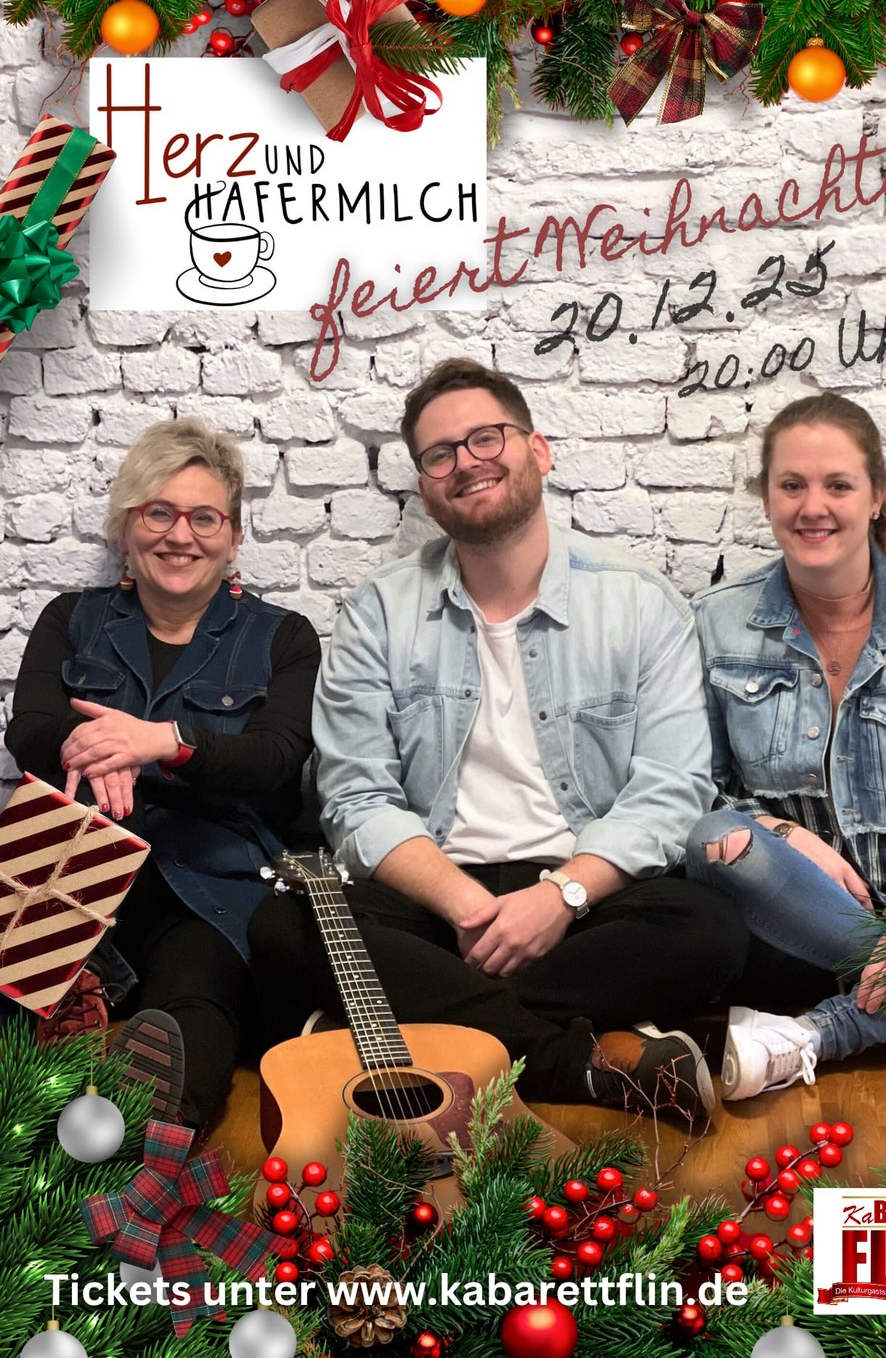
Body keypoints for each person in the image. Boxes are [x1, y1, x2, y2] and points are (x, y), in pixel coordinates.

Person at [249, 358, 746, 1118]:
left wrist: (561, 895)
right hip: (435, 898)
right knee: (284, 924)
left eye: (487, 438)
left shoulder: (641, 603)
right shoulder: (380, 609)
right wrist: (466, 907)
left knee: (709, 930)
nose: (466, 462)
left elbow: (672, 789)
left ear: (538, 450)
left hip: (583, 897)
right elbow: (355, 795)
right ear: (425, 488)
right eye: (439, 454)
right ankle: (568, 1063)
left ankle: (412, 1020)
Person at [685, 392, 886, 1100]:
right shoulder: (714, 624)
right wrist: (786, 834)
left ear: (875, 497)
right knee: (715, 841)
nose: (814, 507)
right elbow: (697, 792)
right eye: (792, 485)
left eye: (837, 485)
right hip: (788, 917)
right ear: (767, 497)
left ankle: (820, 1032)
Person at [5, 418, 321, 1133]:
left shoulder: (284, 636)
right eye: (159, 513)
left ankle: (143, 1151)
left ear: (233, 539)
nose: (181, 535)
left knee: (193, 1008)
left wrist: (164, 744)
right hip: (70, 858)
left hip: (208, 878)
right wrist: (94, 743)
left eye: (204, 518)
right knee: (14, 999)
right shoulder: (71, 619)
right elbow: (29, 732)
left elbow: (277, 758)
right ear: (127, 528)